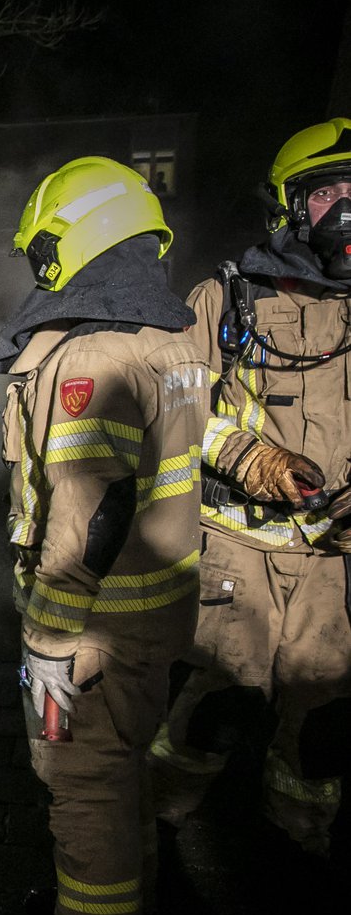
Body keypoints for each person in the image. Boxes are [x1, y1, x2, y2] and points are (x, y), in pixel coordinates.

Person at [0, 156, 206, 915]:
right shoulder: (171, 339)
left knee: (82, 787)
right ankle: (126, 907)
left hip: (91, 633)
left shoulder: (93, 359)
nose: (39, 270)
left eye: (44, 249)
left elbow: (89, 513)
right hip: (157, 618)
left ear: (79, 238)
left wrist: (47, 632)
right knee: (123, 772)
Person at [149, 118, 351, 858]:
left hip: (335, 568)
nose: (349, 210)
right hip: (238, 554)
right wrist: (251, 459)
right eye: (331, 193)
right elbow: (172, 410)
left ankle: (298, 847)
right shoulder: (225, 302)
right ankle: (154, 834)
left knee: (324, 726)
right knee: (212, 710)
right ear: (288, 205)